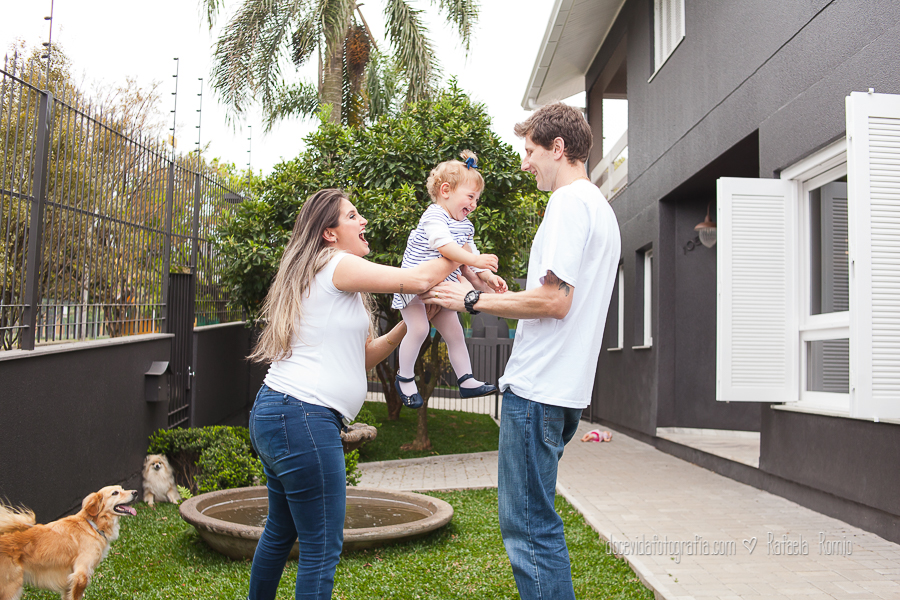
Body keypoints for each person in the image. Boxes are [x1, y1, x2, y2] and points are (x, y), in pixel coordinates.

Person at [423, 102, 621, 600]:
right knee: (537, 525)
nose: (525, 162)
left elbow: (554, 301)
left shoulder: (568, 203)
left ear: (558, 148)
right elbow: (557, 298)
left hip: (537, 390)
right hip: (564, 390)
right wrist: (495, 288)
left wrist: (472, 298)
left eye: (530, 151)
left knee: (529, 530)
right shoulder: (600, 207)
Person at [246, 189, 457, 600]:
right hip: (303, 417)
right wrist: (459, 250)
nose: (363, 222)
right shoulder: (337, 264)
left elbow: (360, 358)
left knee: (281, 532)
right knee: (321, 548)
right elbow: (419, 279)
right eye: (353, 215)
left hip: (279, 413)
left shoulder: (326, 274)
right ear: (329, 233)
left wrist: (411, 327)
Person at [391, 150, 507, 408]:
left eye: (477, 199)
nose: (474, 204)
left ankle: (466, 380)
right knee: (419, 329)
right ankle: (405, 376)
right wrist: (476, 261)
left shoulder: (465, 225)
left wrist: (488, 276)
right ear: (446, 191)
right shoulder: (434, 216)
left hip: (441, 290)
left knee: (455, 333)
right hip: (413, 286)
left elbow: (470, 256)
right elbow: (445, 247)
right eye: (470, 196)